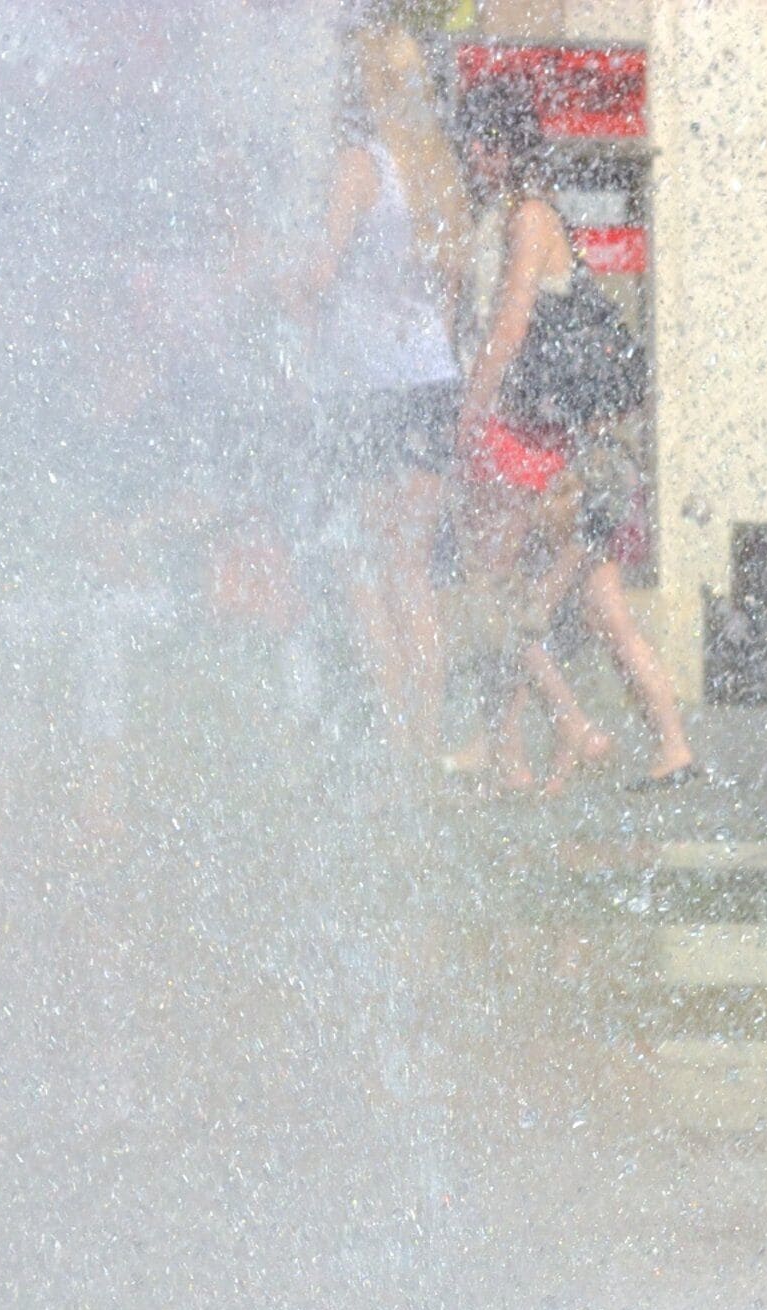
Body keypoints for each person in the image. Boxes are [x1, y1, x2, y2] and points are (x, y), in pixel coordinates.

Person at [446, 82, 699, 792]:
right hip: (563, 444)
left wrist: (474, 407)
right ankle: (654, 744)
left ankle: (561, 734)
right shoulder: (504, 216)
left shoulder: (528, 217)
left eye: (491, 141)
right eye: (470, 140)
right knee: (587, 606)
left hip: (553, 449)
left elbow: (511, 321)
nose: (476, 153)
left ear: (516, 146)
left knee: (503, 593)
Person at [289, 28, 464, 761]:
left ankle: (393, 735)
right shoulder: (435, 170)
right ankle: (425, 737)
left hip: (366, 388)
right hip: (430, 380)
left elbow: (320, 274)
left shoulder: (359, 165)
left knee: (362, 560)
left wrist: (277, 289)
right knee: (412, 569)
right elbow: (451, 293)